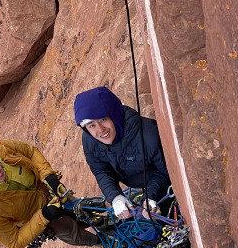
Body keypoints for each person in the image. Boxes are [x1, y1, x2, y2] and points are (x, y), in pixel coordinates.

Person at [0, 138, 99, 248]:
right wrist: (45, 215)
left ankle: (104, 221)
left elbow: (30, 151)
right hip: (39, 217)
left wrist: (48, 176)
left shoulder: (0, 148)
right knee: (70, 231)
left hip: (50, 190)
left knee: (83, 209)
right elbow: (14, 242)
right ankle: (101, 241)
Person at [73, 86, 171, 220]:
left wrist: (151, 196)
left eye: (103, 119)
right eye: (91, 125)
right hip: (141, 185)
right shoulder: (90, 141)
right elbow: (101, 170)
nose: (100, 130)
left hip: (162, 183)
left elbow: (165, 171)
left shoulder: (148, 134)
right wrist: (115, 197)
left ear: (115, 115)